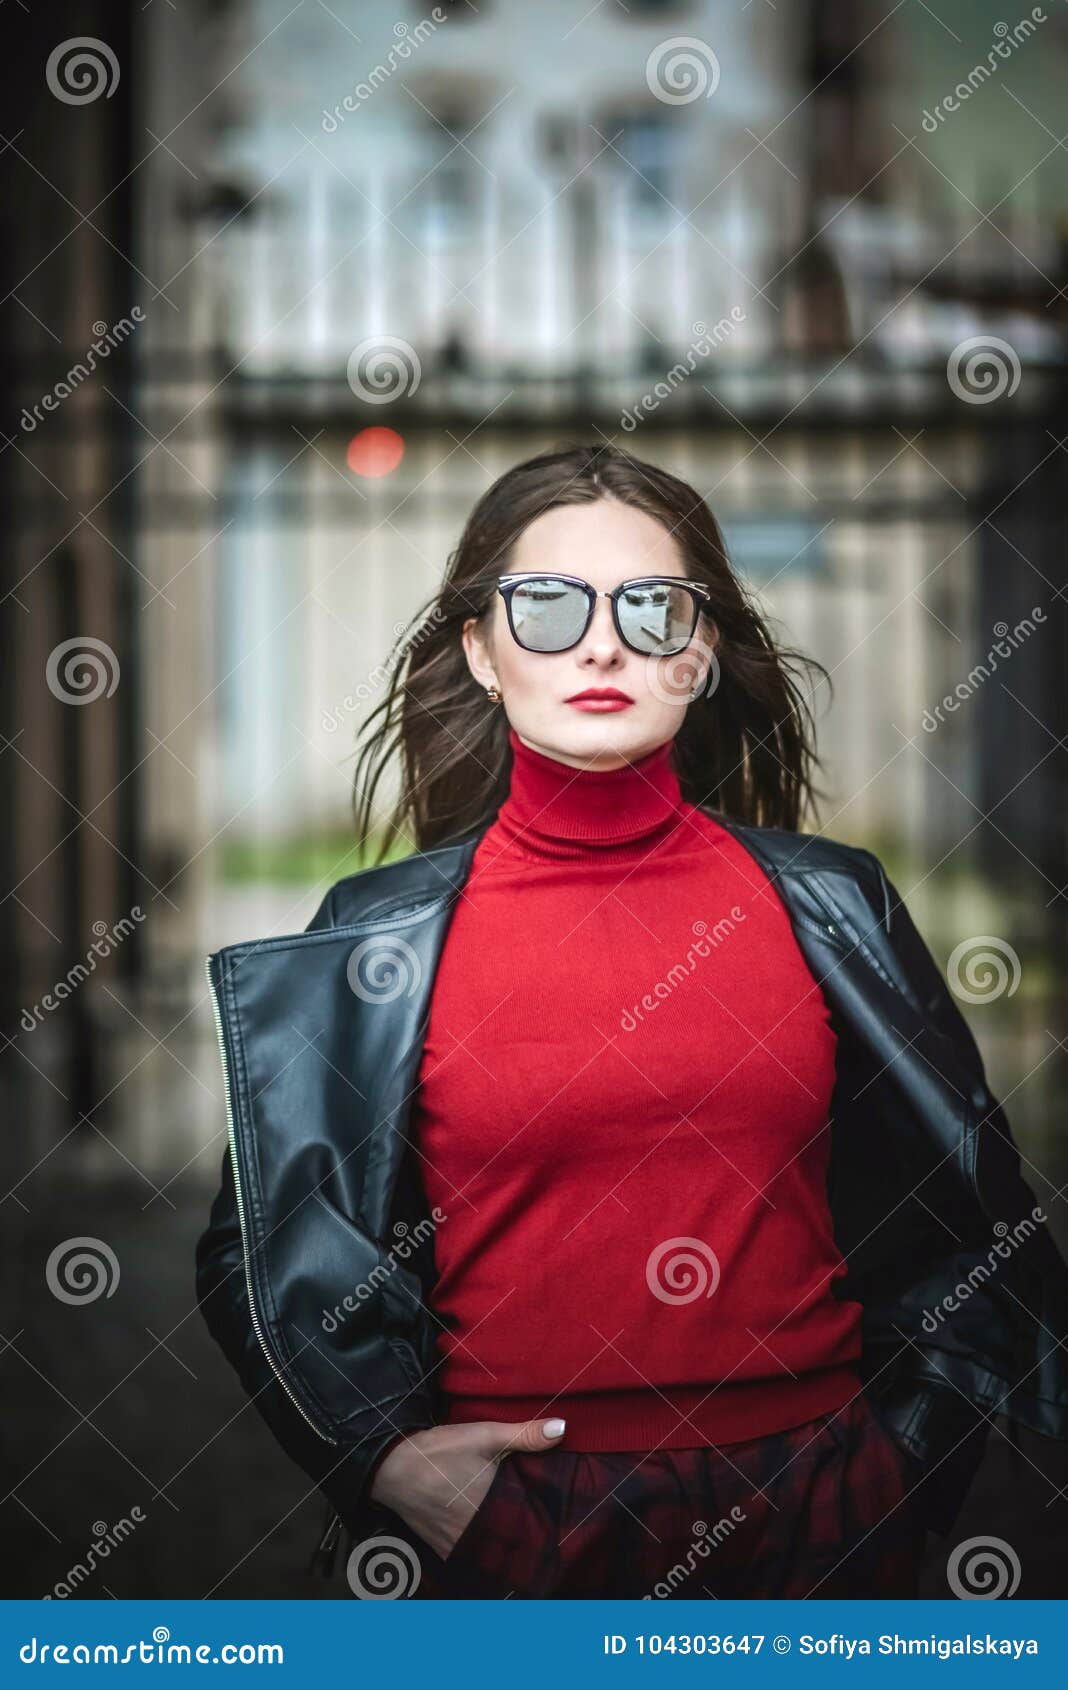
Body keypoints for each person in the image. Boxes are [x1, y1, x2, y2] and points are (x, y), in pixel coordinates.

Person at [196, 442, 1068, 1600]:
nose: (602, 642)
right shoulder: (376, 941)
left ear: (700, 653)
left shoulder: (832, 904)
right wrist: (382, 1458)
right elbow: (255, 1246)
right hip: (517, 1535)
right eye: (546, 606)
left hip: (829, 1514)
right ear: (482, 650)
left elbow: (966, 1214)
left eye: (653, 608)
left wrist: (906, 1457)